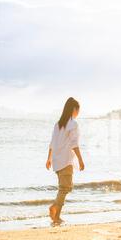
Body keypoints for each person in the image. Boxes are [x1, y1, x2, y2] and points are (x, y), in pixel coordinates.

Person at [46, 97, 85, 226]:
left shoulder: (58, 124)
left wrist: (49, 159)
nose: (78, 112)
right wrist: (80, 160)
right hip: (66, 160)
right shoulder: (73, 124)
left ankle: (56, 211)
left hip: (57, 161)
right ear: (74, 109)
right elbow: (74, 143)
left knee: (64, 188)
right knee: (65, 188)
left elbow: (52, 143)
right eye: (78, 110)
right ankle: (56, 213)